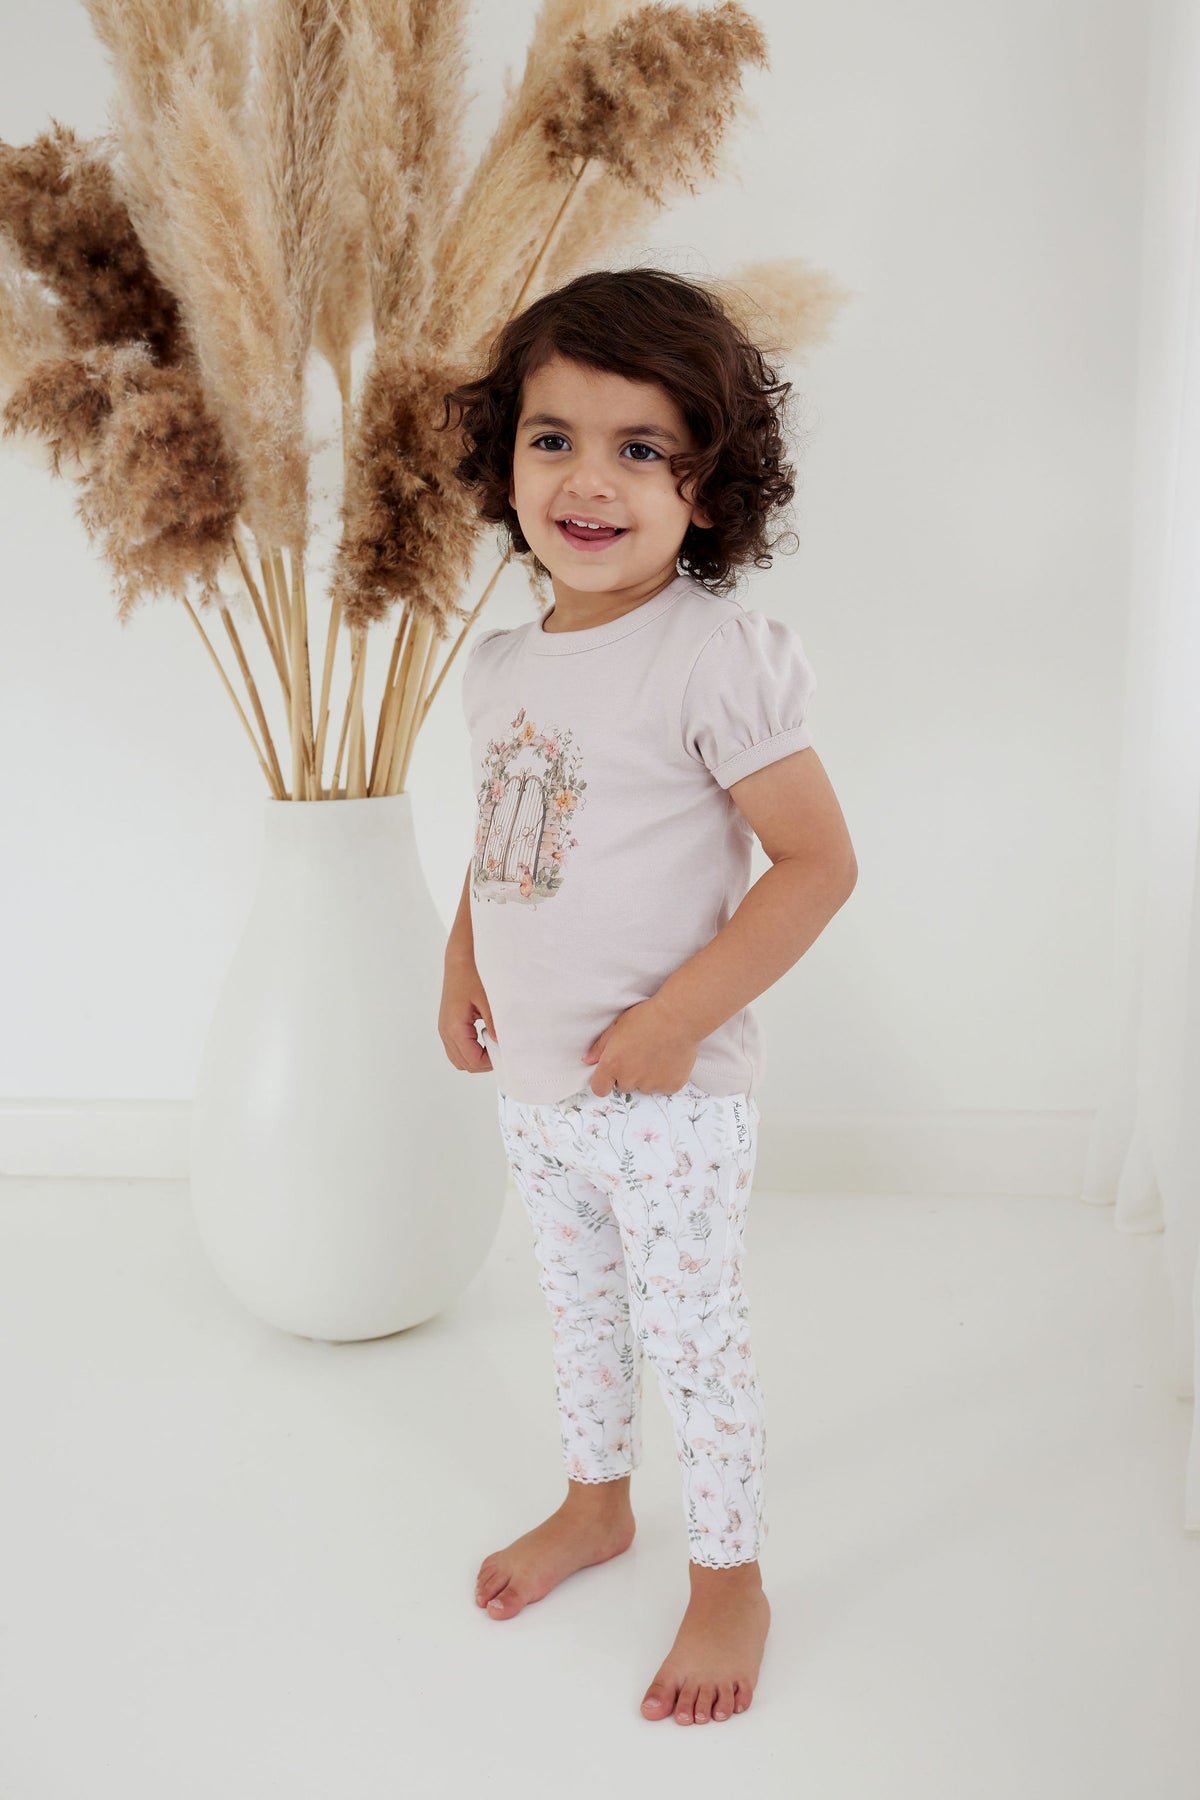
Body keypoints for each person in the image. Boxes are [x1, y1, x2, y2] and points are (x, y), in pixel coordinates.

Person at [437, 266, 857, 1726]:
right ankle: (597, 1501)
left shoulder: (710, 656)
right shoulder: (501, 667)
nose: (588, 480)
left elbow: (816, 862)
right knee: (577, 1312)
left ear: (708, 486)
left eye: (640, 449)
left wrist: (677, 1021)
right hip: (542, 1089)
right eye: (553, 438)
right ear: (507, 460)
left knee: (691, 1337)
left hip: (666, 1098)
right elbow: (503, 841)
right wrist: (462, 960)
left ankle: (730, 1575)